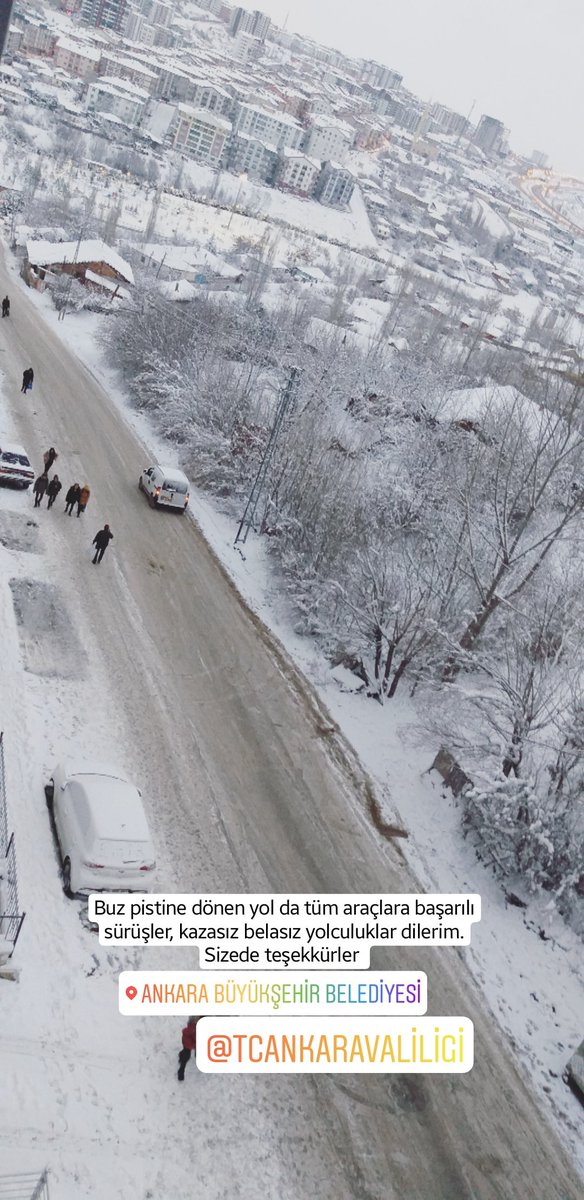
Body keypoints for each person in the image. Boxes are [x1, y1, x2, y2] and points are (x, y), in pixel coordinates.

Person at [177, 1016, 200, 1081]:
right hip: (190, 1044)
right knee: (186, 1056)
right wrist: (193, 1045)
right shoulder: (191, 1028)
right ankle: (181, 1070)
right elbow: (186, 1037)